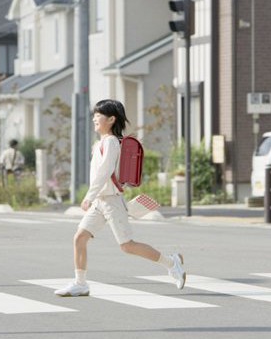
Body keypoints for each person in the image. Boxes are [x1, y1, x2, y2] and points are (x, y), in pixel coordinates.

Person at [54, 99, 186, 297]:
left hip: (111, 201)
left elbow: (106, 170)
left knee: (127, 246)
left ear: (111, 119)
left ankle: (171, 262)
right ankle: (80, 283)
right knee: (80, 238)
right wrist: (93, 197)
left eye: (98, 116)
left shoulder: (112, 142)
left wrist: (88, 196)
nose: (94, 119)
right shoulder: (100, 143)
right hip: (101, 201)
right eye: (95, 115)